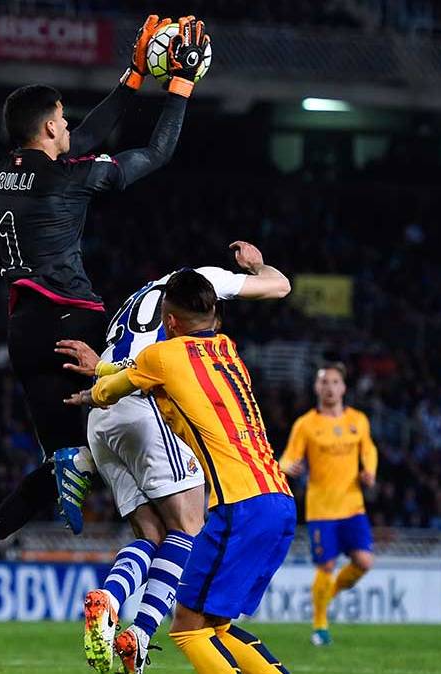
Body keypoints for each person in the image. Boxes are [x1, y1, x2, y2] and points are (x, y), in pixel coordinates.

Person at [0, 14, 213, 612]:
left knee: (64, 458)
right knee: (117, 435)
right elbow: (156, 153)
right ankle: (164, 553)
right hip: (74, 324)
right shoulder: (70, 180)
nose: (70, 125)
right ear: (49, 126)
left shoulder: (4, 174)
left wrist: (132, 77)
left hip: (23, 330)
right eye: (63, 119)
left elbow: (87, 136)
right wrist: (180, 86)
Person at [55, 242, 289, 674]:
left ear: (169, 317)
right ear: (213, 309)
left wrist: (94, 383)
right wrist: (257, 266)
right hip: (159, 415)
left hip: (106, 418)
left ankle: (114, 601)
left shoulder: (138, 302)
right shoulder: (223, 344)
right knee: (188, 530)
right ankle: (140, 632)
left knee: (152, 536)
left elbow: (115, 384)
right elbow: (279, 287)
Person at [279, 363, 378, 646]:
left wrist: (369, 471)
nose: (329, 387)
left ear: (343, 388)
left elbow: (369, 449)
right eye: (324, 382)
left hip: (353, 505)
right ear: (316, 387)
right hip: (321, 509)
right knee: (327, 565)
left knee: (364, 561)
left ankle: (327, 595)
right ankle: (320, 625)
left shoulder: (358, 420)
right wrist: (287, 467)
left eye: (335, 382)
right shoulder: (306, 424)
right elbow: (287, 457)